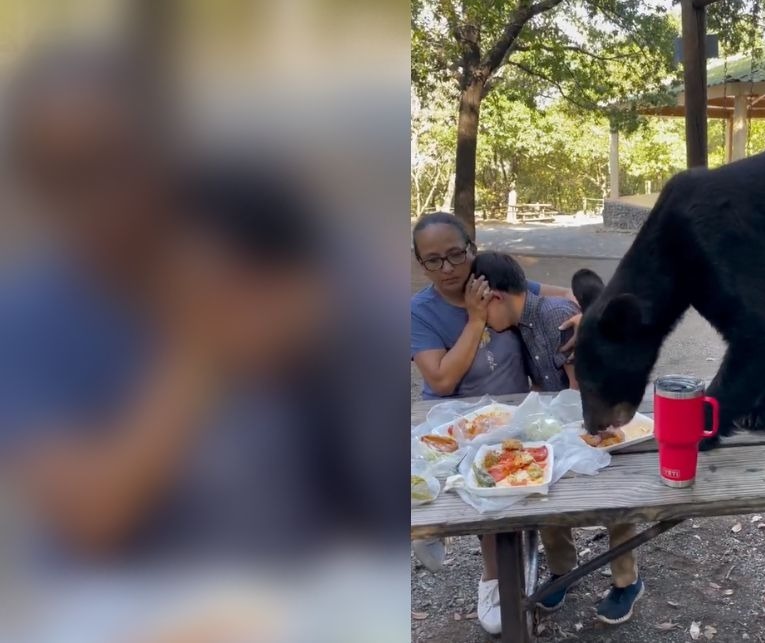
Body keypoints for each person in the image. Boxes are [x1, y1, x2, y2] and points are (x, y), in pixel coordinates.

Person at [0, 42, 406, 569]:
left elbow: (370, 301)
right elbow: (92, 515)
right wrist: (201, 348)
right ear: (37, 184)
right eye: (66, 175)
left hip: (299, 581)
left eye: (117, 159)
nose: (99, 199)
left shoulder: (247, 225)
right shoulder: (27, 312)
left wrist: (307, 314)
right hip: (118, 605)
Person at [409, 211, 580, 634]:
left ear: (472, 249)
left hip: (509, 416)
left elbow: (560, 299)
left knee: (509, 485)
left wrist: (590, 313)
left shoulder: (491, 282)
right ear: (419, 263)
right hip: (453, 419)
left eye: (455, 254)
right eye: (433, 260)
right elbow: (442, 379)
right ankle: (486, 572)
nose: (447, 268)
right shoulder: (419, 312)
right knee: (445, 480)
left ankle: (507, 573)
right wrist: (475, 319)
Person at [470, 251, 646, 625]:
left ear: (496, 298)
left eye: (483, 309)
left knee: (613, 504)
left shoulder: (553, 318)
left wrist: (589, 431)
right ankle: (563, 571)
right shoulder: (523, 324)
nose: (483, 319)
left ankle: (626, 581)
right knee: (547, 498)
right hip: (567, 426)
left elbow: (583, 384)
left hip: (598, 422)